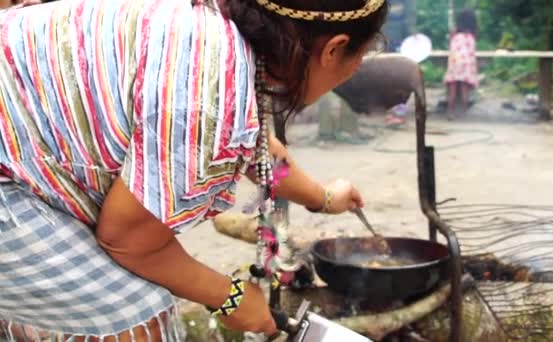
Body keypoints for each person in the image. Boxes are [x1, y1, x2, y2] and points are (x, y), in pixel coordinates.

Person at [0, 0, 388, 341]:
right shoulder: (211, 102)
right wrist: (231, 298)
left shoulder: (226, 33)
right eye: (360, 57)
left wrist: (322, 197)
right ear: (334, 48)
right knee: (136, 317)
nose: (353, 69)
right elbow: (126, 241)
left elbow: (260, 153)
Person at [444, 9, 479, 119]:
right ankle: (463, 111)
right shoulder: (473, 34)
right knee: (465, 87)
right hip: (467, 64)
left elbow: (451, 45)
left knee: (452, 87)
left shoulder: (454, 33)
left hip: (455, 63)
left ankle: (450, 111)